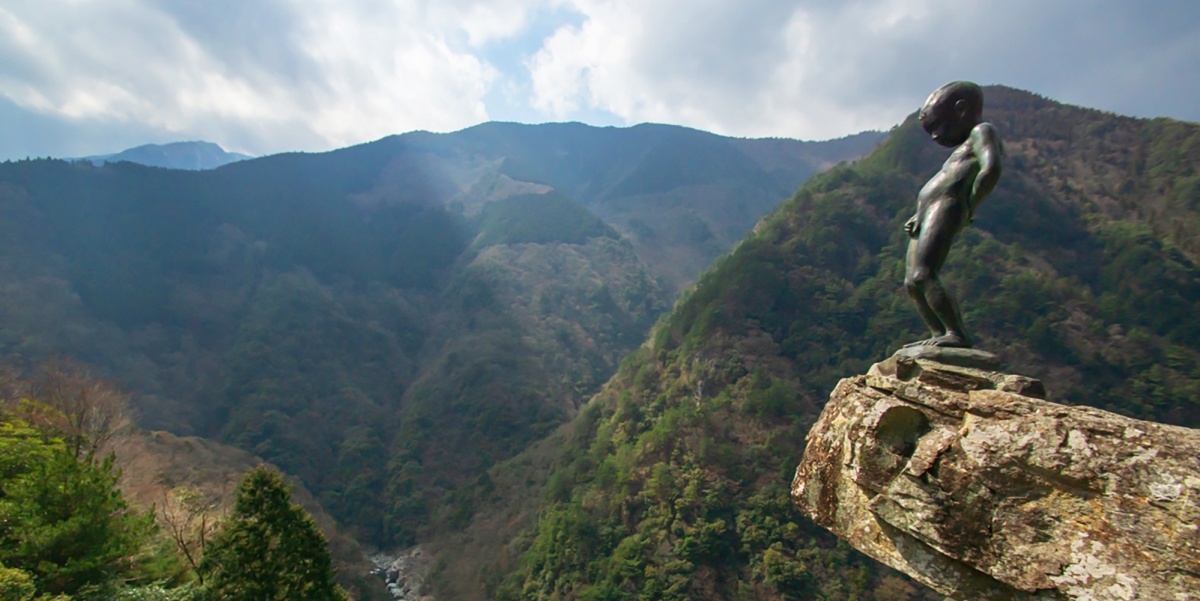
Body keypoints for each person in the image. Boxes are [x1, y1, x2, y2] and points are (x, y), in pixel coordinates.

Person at [903, 81, 1002, 348]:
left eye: (939, 126)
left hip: (948, 206)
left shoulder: (982, 132)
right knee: (912, 282)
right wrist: (920, 213)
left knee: (925, 274)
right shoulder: (962, 147)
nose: (936, 136)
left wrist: (970, 204)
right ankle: (938, 333)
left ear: (960, 110)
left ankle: (956, 333)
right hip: (930, 212)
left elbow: (990, 168)